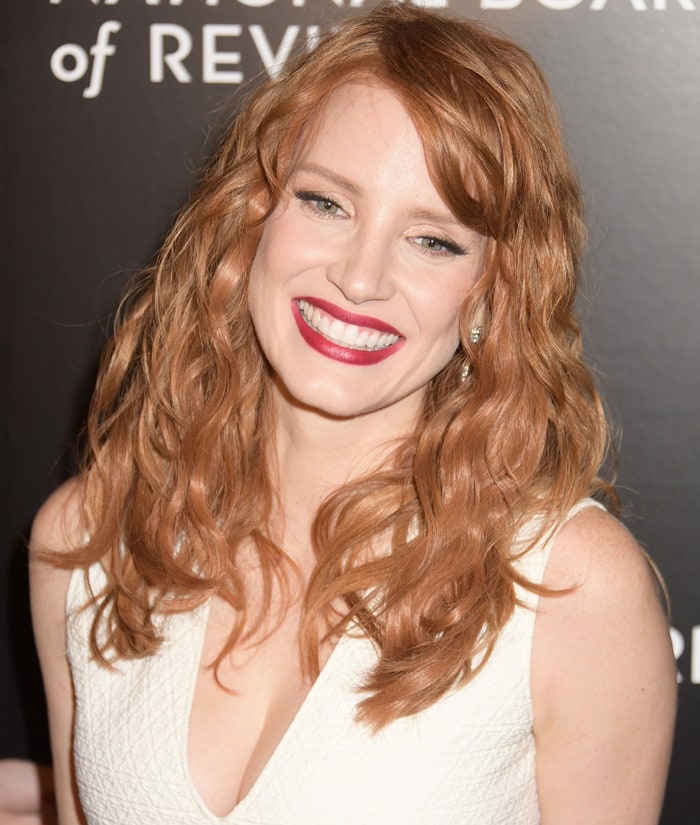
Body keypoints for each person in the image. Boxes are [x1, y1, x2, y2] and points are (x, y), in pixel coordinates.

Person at [29, 3, 676, 823]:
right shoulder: (87, 546)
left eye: (434, 239)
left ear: (490, 296)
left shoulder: (571, 587)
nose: (361, 277)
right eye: (326, 203)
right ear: (250, 216)